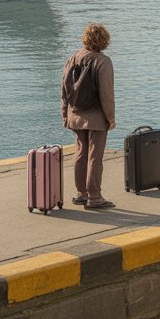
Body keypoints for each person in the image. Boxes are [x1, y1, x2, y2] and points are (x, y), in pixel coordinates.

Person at [61, 22, 116, 209]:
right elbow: (106, 93)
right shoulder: (103, 61)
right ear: (104, 41)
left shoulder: (72, 58)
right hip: (96, 117)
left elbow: (64, 89)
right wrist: (111, 118)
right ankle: (95, 196)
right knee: (95, 156)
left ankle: (81, 194)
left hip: (75, 115)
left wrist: (65, 115)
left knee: (80, 153)